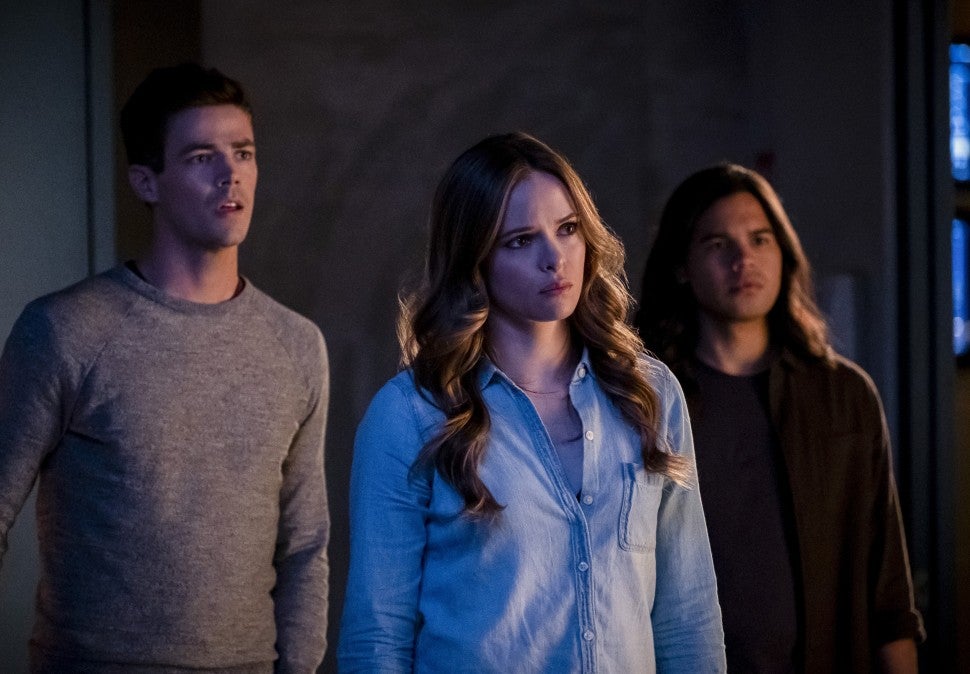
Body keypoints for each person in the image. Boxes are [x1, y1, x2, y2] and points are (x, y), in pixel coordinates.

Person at [338, 132, 726, 673]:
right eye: (520, 240)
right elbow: (377, 637)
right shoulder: (411, 414)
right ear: (474, 259)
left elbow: (687, 614)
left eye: (567, 229)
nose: (555, 258)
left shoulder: (649, 393)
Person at [0, 63, 330, 672]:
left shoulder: (297, 344)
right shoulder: (65, 330)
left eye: (243, 152)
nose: (231, 173)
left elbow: (305, 545)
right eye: (202, 157)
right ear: (146, 183)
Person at [637, 163, 926, 673]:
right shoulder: (648, 400)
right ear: (682, 265)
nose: (743, 260)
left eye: (760, 239)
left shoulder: (844, 395)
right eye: (718, 244)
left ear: (783, 253)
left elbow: (888, 591)